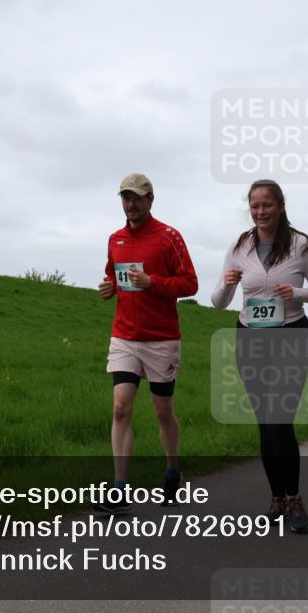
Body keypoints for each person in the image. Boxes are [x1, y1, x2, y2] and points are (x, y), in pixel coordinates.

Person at [211, 179, 308, 533]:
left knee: (280, 419)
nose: (260, 211)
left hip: (290, 336)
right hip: (250, 339)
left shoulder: (300, 244)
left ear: (280, 205)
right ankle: (277, 498)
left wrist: (296, 292)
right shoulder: (239, 245)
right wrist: (228, 284)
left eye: (267, 205)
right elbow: (218, 303)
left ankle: (294, 499)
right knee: (265, 423)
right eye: (254, 205)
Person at [95, 173, 198, 514]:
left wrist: (153, 282)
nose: (131, 204)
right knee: (120, 407)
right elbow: (114, 275)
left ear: (151, 199)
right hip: (124, 335)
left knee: (162, 411)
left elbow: (190, 284)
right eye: (126, 198)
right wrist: (110, 287)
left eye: (137, 198)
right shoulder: (115, 239)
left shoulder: (169, 237)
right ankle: (119, 488)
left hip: (161, 339)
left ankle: (172, 470)